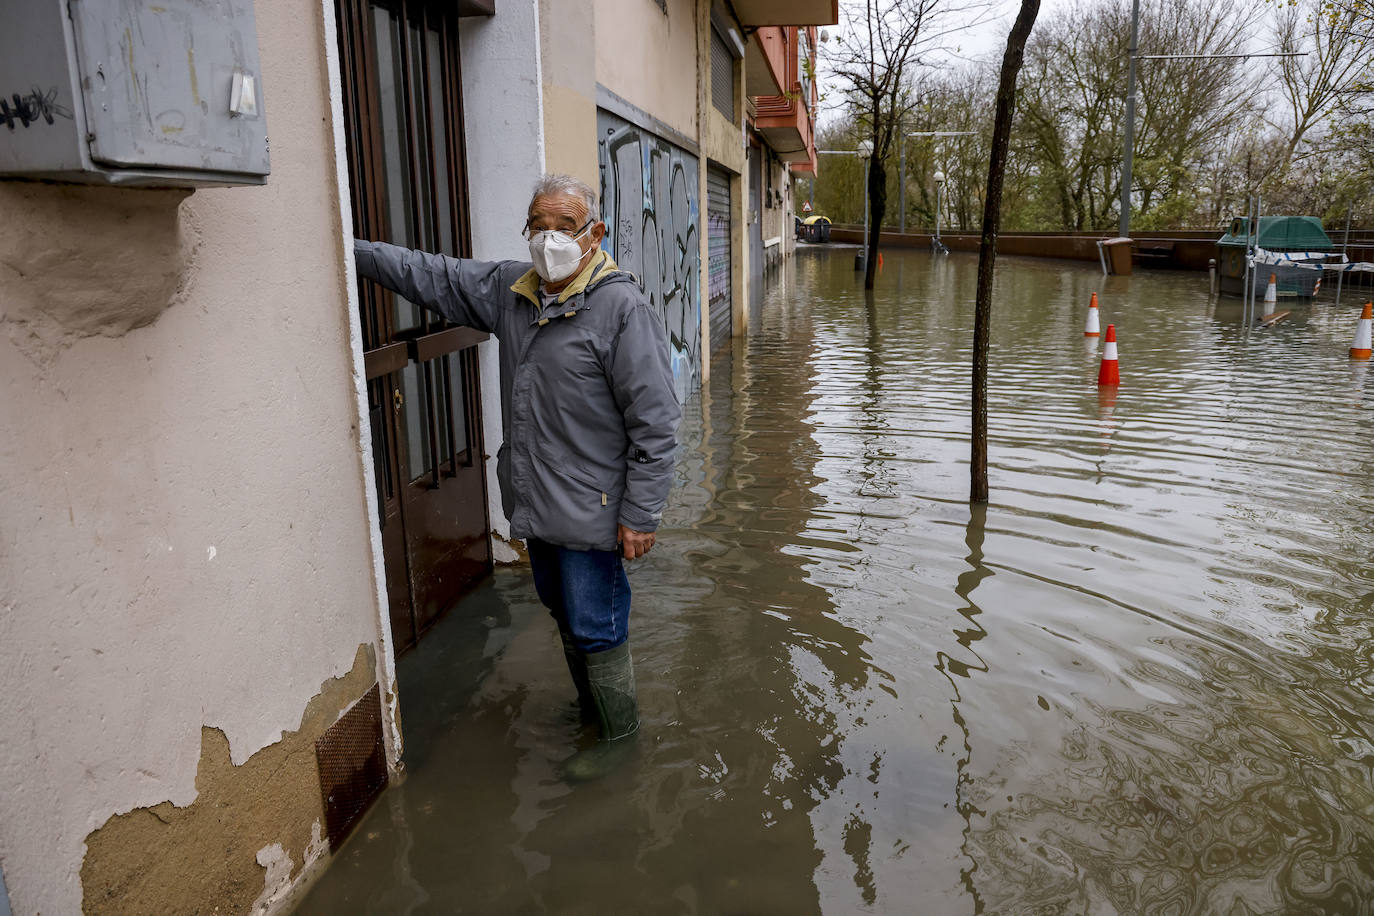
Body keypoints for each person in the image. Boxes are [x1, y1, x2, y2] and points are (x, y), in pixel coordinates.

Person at [353, 174, 680, 781]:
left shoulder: (620, 309)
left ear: (595, 234)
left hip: (595, 510)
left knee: (595, 622)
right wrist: (354, 252)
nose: (549, 238)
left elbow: (657, 425)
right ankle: (593, 715)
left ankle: (619, 741)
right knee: (563, 612)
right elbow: (434, 274)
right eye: (539, 225)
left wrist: (640, 515)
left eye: (565, 225)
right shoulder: (512, 292)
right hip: (536, 505)